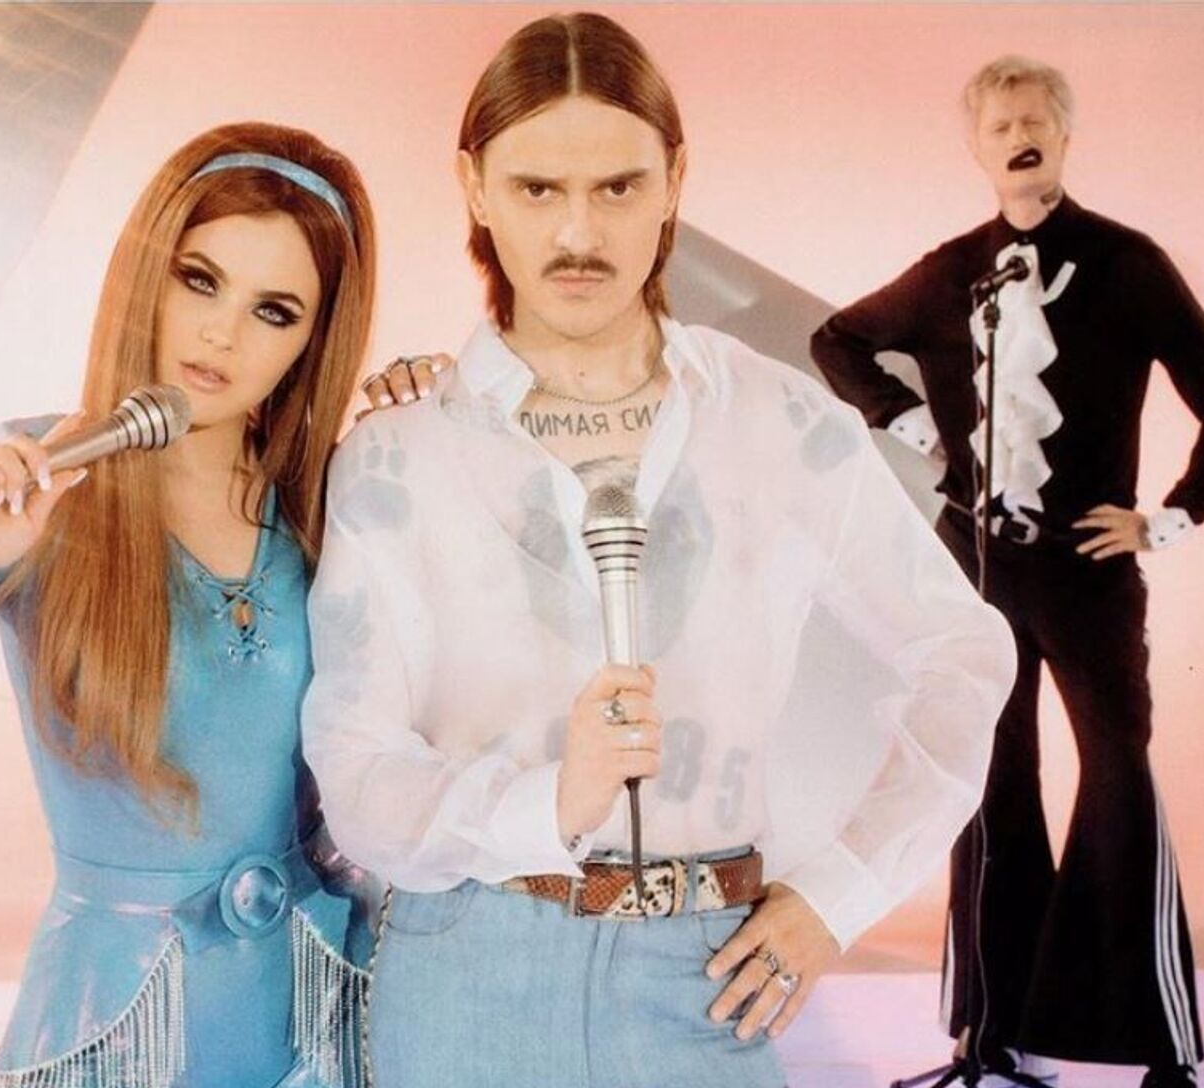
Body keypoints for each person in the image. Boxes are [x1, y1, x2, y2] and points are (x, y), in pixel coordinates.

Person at [299, 14, 1018, 1087]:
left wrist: (840, 892)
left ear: (676, 179)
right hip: (465, 972)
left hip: (707, 974)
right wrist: (549, 803)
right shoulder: (400, 453)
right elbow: (355, 765)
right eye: (537, 188)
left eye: (618, 187)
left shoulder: (781, 422)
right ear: (474, 186)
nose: (577, 232)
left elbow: (963, 651)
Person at [0, 122, 379, 1088]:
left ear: (314, 340)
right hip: (117, 1021)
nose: (222, 333)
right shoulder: (40, 473)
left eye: (274, 311)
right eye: (200, 280)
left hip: (314, 1016)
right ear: (148, 272)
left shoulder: (325, 500)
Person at [810, 56, 1204, 1087]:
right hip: (976, 568)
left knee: (1118, 773)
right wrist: (910, 422)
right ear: (978, 147)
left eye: (1035, 121)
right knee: (991, 782)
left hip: (1088, 573)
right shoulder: (950, 272)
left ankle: (1158, 1048)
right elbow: (839, 341)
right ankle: (990, 1036)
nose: (1019, 135)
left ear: (1063, 136)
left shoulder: (1128, 264)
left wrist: (1171, 518)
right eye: (1000, 123)